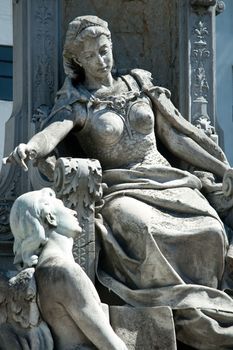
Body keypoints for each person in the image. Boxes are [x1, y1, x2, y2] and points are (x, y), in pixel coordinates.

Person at [5, 15, 233, 349]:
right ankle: (174, 307)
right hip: (123, 190)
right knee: (140, 227)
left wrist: (222, 167)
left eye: (105, 49)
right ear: (78, 62)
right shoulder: (79, 104)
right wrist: (30, 147)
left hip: (168, 179)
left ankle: (205, 305)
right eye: (93, 55)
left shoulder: (140, 83)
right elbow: (50, 135)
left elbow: (176, 136)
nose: (102, 59)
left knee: (211, 230)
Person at [10, 187, 128, 350]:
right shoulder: (63, 272)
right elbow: (112, 346)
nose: (72, 211)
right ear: (50, 217)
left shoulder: (41, 273)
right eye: (63, 206)